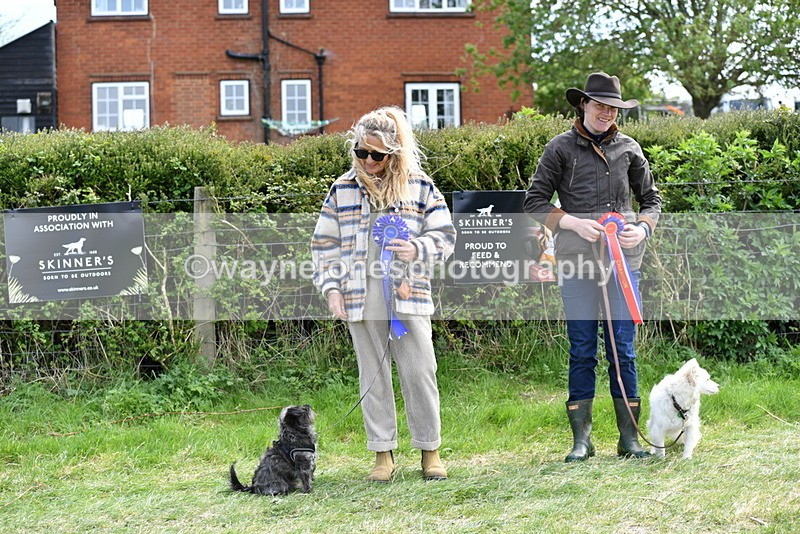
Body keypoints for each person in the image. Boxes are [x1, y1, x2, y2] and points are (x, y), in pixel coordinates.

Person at [312, 106, 456, 481]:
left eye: (377, 154)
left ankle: (430, 451)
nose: (368, 160)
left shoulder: (420, 185)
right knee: (372, 377)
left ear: (394, 152)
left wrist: (418, 248)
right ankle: (382, 455)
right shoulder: (341, 188)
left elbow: (445, 235)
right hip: (360, 298)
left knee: (420, 371)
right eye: (362, 152)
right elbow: (324, 243)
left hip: (408, 296)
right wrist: (331, 290)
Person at [523, 73, 662, 462]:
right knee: (582, 349)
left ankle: (629, 439)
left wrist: (642, 228)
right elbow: (533, 202)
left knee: (624, 349)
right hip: (575, 263)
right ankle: (581, 441)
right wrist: (570, 221)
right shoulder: (559, 148)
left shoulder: (630, 148)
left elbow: (652, 200)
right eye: (599, 105)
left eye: (613, 107)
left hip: (623, 263)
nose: (606, 113)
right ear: (582, 104)